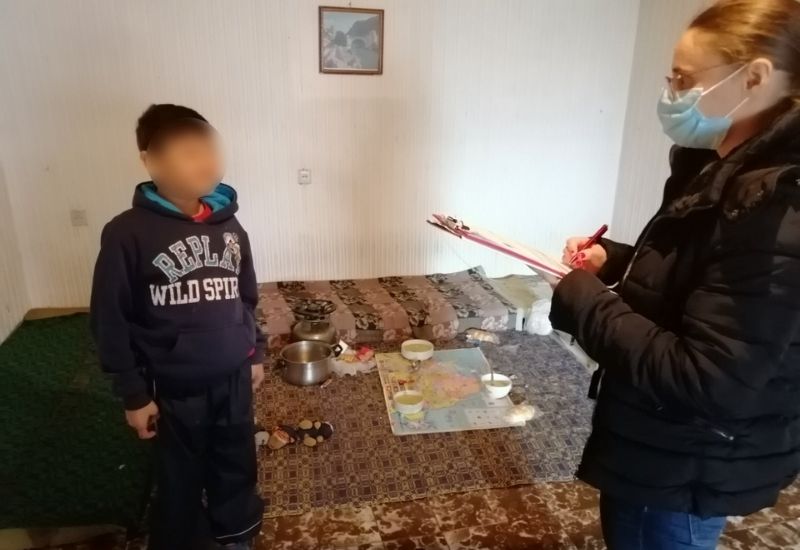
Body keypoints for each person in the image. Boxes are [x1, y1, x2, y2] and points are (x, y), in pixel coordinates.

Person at [549, 1, 800, 548]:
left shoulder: (774, 208)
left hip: (686, 465)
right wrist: (613, 260)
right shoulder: (719, 167)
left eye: (684, 79)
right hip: (660, 444)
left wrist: (583, 300)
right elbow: (697, 281)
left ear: (754, 78)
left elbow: (707, 379)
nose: (671, 94)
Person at [90, 104, 265, 550]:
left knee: (236, 460)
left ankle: (236, 533)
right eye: (189, 151)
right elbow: (111, 318)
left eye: (210, 149)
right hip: (174, 383)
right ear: (150, 161)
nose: (206, 160)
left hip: (233, 377)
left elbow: (246, 297)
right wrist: (134, 394)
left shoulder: (231, 227)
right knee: (178, 474)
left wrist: (255, 352)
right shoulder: (127, 233)